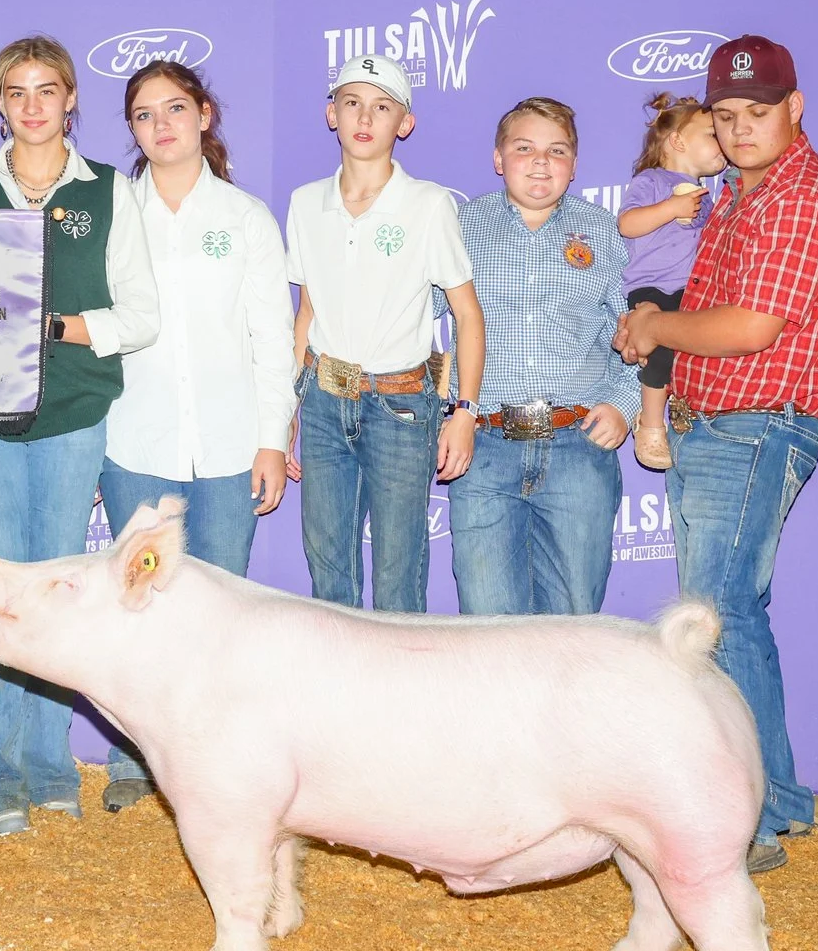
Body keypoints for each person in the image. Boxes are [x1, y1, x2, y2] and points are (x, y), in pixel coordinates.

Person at [613, 36, 818, 876]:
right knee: (728, 613)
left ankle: (748, 813)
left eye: (757, 112)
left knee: (720, 615)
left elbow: (753, 328)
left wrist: (654, 328)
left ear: (796, 107)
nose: (741, 128)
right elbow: (706, 305)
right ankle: (773, 800)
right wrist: (652, 326)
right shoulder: (737, 196)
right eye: (725, 116)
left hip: (756, 421)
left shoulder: (794, 196)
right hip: (716, 422)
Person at [0, 35, 160, 836]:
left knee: (61, 583)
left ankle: (48, 759)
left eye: (47, 90)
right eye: (16, 91)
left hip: (73, 408)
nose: (32, 105)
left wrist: (62, 326)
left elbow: (142, 312)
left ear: (71, 100)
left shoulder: (108, 190)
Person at [97, 60, 295, 812]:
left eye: (175, 108)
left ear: (205, 114)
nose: (161, 125)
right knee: (137, 607)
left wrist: (271, 438)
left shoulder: (245, 218)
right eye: (144, 115)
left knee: (219, 616)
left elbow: (270, 338)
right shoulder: (114, 216)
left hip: (227, 445)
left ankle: (218, 766)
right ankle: (133, 758)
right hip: (133, 444)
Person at [285, 55, 484, 612]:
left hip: (402, 406)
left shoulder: (428, 204)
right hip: (324, 400)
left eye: (382, 106)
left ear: (405, 122)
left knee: (399, 577)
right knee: (329, 576)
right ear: (332, 114)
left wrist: (463, 411)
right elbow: (306, 314)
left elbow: (467, 315)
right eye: (351, 102)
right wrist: (289, 412)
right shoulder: (304, 204)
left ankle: (401, 699)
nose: (364, 117)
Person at [449, 97, 638, 616]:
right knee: (489, 630)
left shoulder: (604, 230)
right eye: (524, 148)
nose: (539, 162)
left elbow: (635, 327)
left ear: (574, 166)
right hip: (484, 448)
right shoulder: (461, 227)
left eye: (556, 151)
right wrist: (451, 412)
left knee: (574, 630)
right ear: (497, 158)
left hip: (578, 447)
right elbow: (424, 325)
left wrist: (626, 403)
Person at [616, 92, 728, 470]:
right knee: (661, 349)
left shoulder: (710, 197)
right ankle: (649, 424)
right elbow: (628, 224)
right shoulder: (652, 181)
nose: (723, 140)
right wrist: (671, 208)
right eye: (713, 133)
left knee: (697, 349)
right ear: (678, 141)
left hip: (692, 290)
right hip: (651, 287)